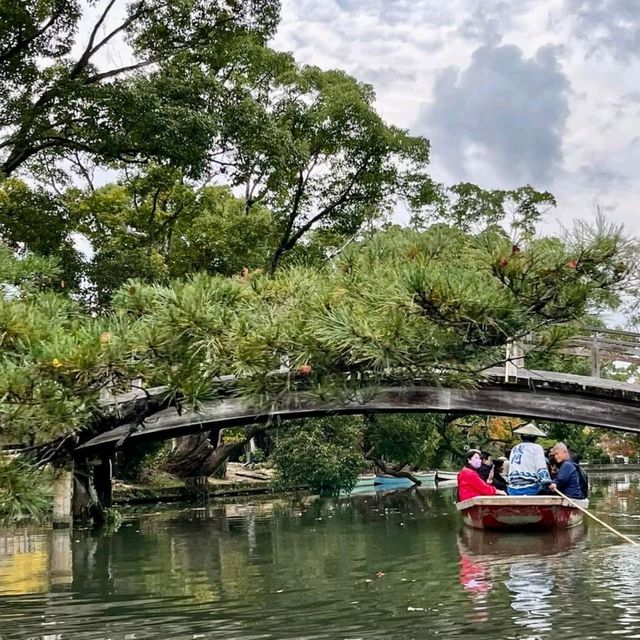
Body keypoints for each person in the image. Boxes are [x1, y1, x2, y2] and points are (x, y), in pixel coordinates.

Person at [507, 423, 552, 495]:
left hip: (512, 488)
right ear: (535, 437)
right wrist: (547, 483)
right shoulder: (536, 448)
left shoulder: (514, 448)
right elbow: (541, 469)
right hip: (530, 488)